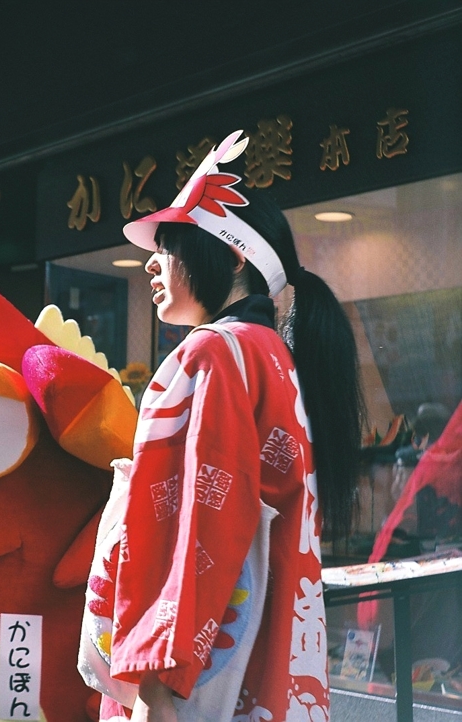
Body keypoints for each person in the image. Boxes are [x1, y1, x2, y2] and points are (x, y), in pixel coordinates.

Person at [90, 131, 362, 721]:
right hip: (261, 673)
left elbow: (196, 526)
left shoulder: (211, 352)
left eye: (169, 244)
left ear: (233, 256)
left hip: (201, 688)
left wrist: (156, 685)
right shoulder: (270, 354)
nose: (150, 261)